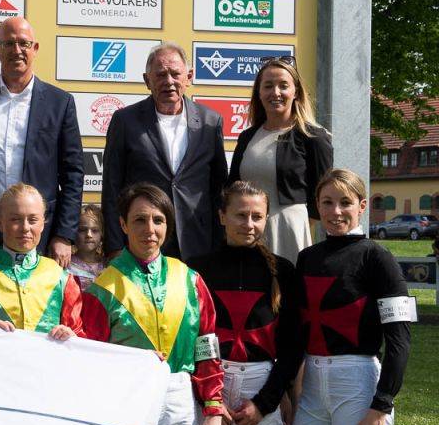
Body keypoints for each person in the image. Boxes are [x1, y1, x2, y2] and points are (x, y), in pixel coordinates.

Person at [82, 182, 225, 425]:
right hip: (124, 401)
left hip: (178, 397)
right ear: (122, 224)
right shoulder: (102, 288)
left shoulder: (190, 279)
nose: (150, 229)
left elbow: (207, 347)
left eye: (158, 220)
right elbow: (91, 361)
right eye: (140, 220)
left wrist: (213, 409)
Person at [282, 169, 413, 425]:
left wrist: (380, 407)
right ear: (317, 206)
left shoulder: (377, 258)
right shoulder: (307, 258)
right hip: (311, 391)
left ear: (362, 206)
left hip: (359, 387)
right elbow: (296, 336)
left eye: (345, 203)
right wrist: (285, 395)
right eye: (327, 202)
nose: (335, 211)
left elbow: (399, 341)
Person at [190, 181, 301, 425]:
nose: (248, 224)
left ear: (267, 218)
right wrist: (207, 401)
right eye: (240, 215)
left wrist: (265, 402)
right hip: (210, 387)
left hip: (261, 388)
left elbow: (294, 346)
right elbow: (191, 338)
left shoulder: (283, 271)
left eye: (257, 216)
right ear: (222, 216)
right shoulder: (197, 268)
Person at [0, 17, 83, 266]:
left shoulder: (60, 103)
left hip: (37, 226)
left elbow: (73, 173)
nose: (17, 50)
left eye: (24, 43)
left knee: (36, 302)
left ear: (35, 49)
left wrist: (64, 235)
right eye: (8, 44)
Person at [102, 42, 228, 262]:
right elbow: (112, 187)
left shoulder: (211, 121)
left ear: (188, 77)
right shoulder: (125, 121)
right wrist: (113, 245)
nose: (168, 81)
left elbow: (218, 188)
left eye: (175, 74)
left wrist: (221, 241)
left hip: (198, 242)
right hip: (143, 241)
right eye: (160, 75)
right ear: (147, 80)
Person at [228, 57, 333, 263]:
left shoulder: (315, 138)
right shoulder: (247, 137)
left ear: (296, 92)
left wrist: (297, 224)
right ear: (259, 93)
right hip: (248, 231)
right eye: (268, 86)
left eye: (283, 86)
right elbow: (232, 186)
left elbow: (323, 195)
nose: (275, 93)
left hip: (290, 232)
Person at [0, 183, 82, 339]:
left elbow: (80, 335)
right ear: (0, 223)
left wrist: (71, 335)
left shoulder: (61, 277)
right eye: (15, 220)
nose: (25, 228)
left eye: (32, 220)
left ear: (43, 224)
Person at [68, 204, 106, 291]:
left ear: (102, 234)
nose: (89, 235)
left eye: (95, 230)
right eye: (82, 230)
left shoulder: (107, 264)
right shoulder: (66, 265)